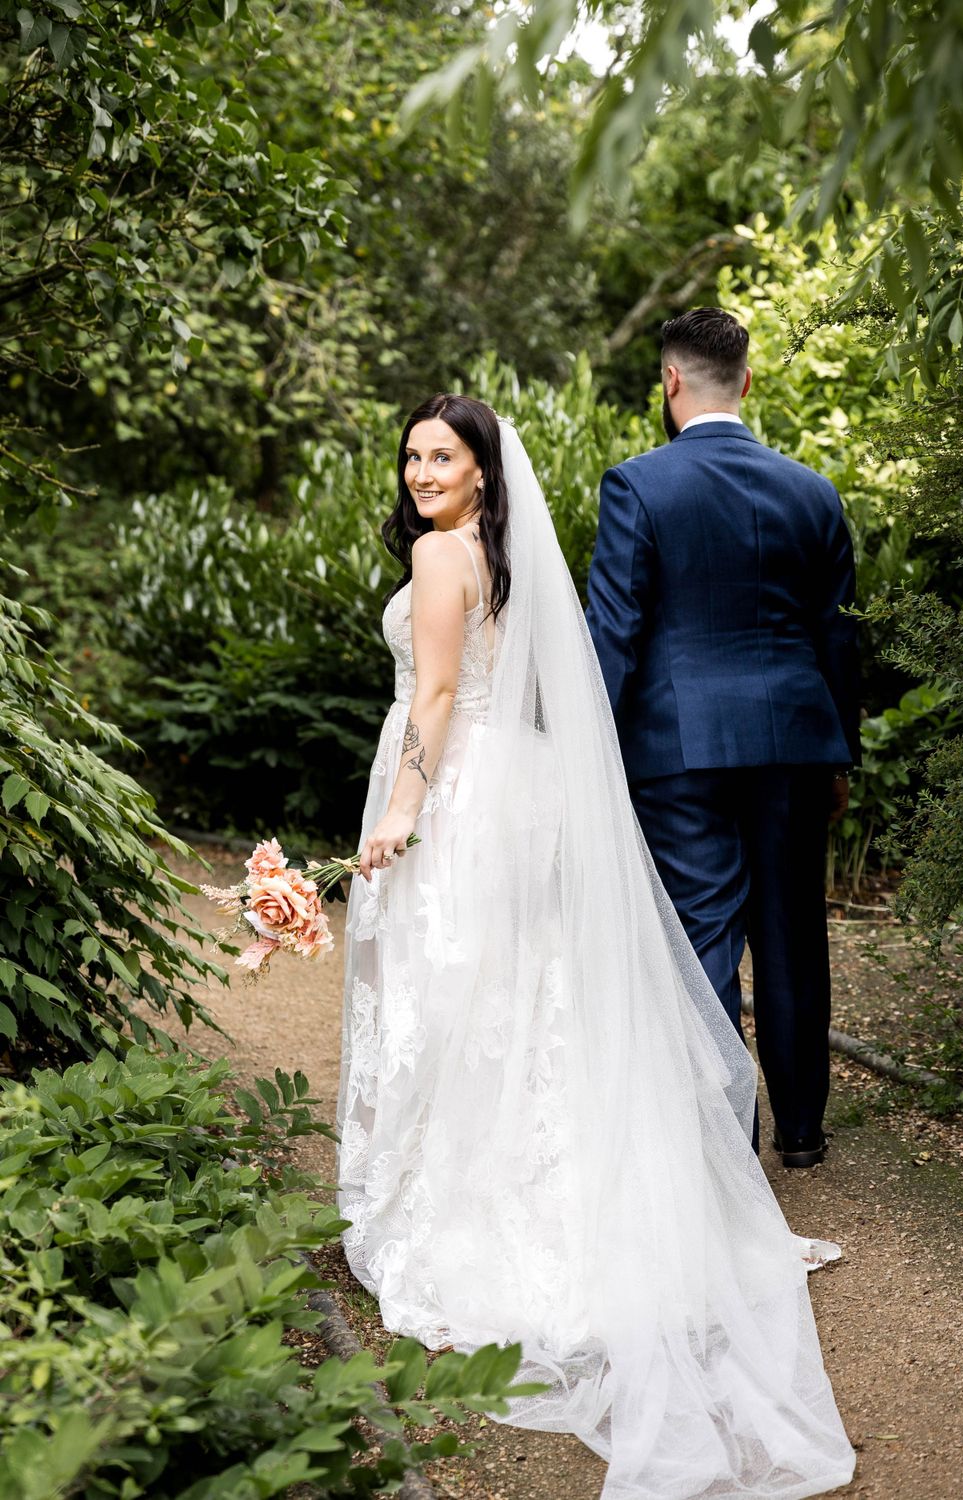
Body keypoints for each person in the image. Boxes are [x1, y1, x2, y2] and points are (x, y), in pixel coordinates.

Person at [337, 392, 856, 1499]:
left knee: (461, 999)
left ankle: (468, 1209)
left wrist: (400, 812)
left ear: (483, 472)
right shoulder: (496, 551)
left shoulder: (438, 554)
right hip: (513, 789)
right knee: (521, 999)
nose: (421, 472)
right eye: (412, 456)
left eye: (443, 456)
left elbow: (437, 693)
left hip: (458, 796)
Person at [587, 309, 860, 1169]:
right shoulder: (814, 492)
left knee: (704, 931)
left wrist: (586, 751)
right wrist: (841, 754)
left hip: (680, 748)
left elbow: (613, 634)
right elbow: (838, 638)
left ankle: (723, 1148)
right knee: (792, 934)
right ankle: (802, 1133)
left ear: (670, 381)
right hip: (796, 745)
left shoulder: (638, 486)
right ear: (746, 380)